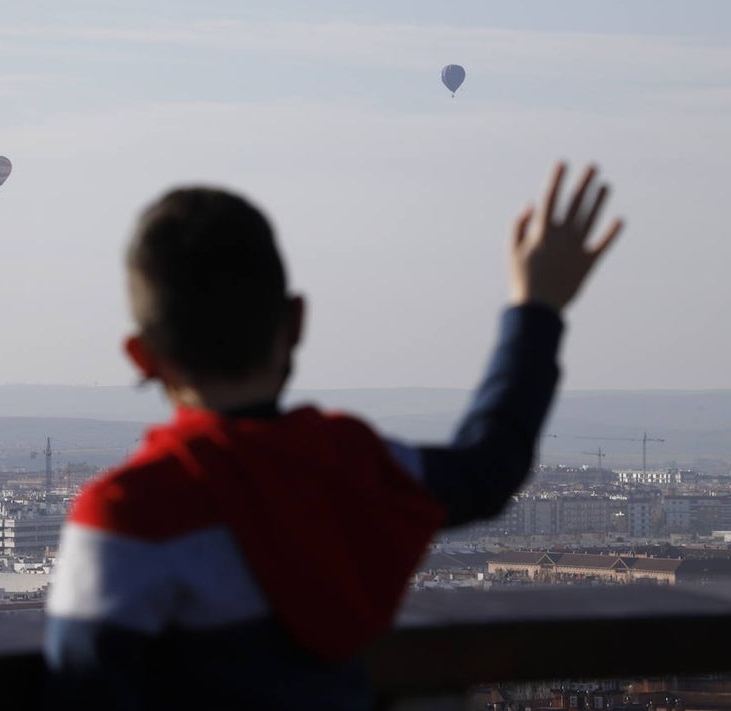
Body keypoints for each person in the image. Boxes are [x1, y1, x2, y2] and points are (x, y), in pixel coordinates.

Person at [43, 162, 623, 709]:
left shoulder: (126, 511)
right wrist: (536, 309)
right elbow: (486, 469)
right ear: (296, 322)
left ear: (141, 356)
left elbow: (84, 689)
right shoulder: (351, 464)